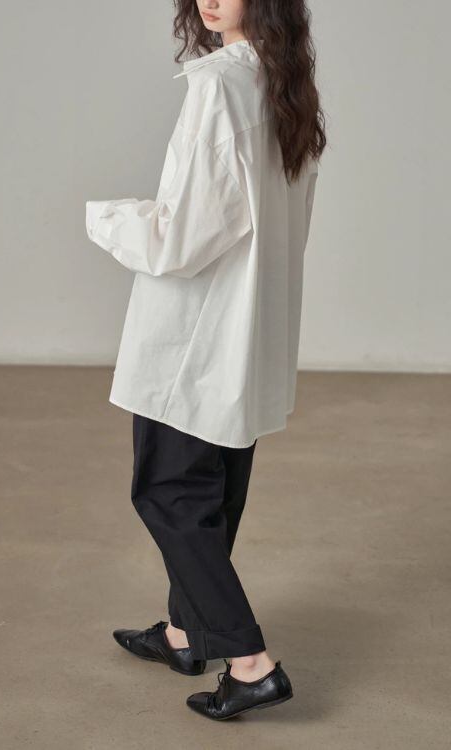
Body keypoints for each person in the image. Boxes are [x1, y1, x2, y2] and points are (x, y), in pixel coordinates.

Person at [85, 0, 325, 720]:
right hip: (247, 327)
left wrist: (104, 218)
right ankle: (187, 634)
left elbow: (183, 237)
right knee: (214, 491)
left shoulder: (220, 84)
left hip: (195, 331)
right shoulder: (286, 84)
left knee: (171, 492)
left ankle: (250, 663)